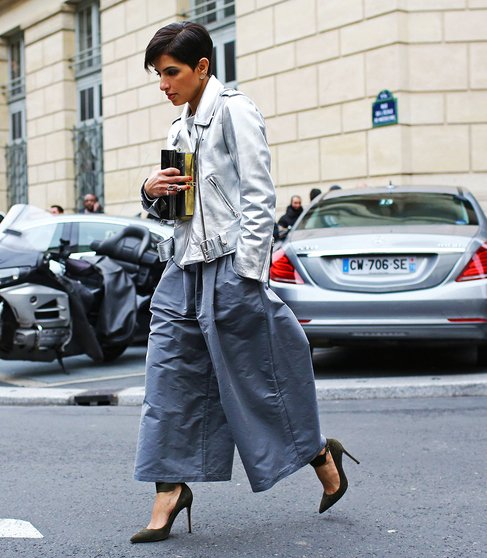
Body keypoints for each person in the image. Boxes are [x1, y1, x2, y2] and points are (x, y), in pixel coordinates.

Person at [131, 21, 359, 545]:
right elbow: (174, 212)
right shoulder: (178, 128)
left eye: (171, 73)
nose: (163, 84)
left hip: (232, 267)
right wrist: (150, 190)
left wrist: (247, 273)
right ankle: (168, 491)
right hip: (181, 271)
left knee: (261, 382)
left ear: (202, 67)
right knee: (168, 382)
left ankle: (322, 455)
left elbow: (259, 196)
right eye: (158, 75)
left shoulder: (235, 110)